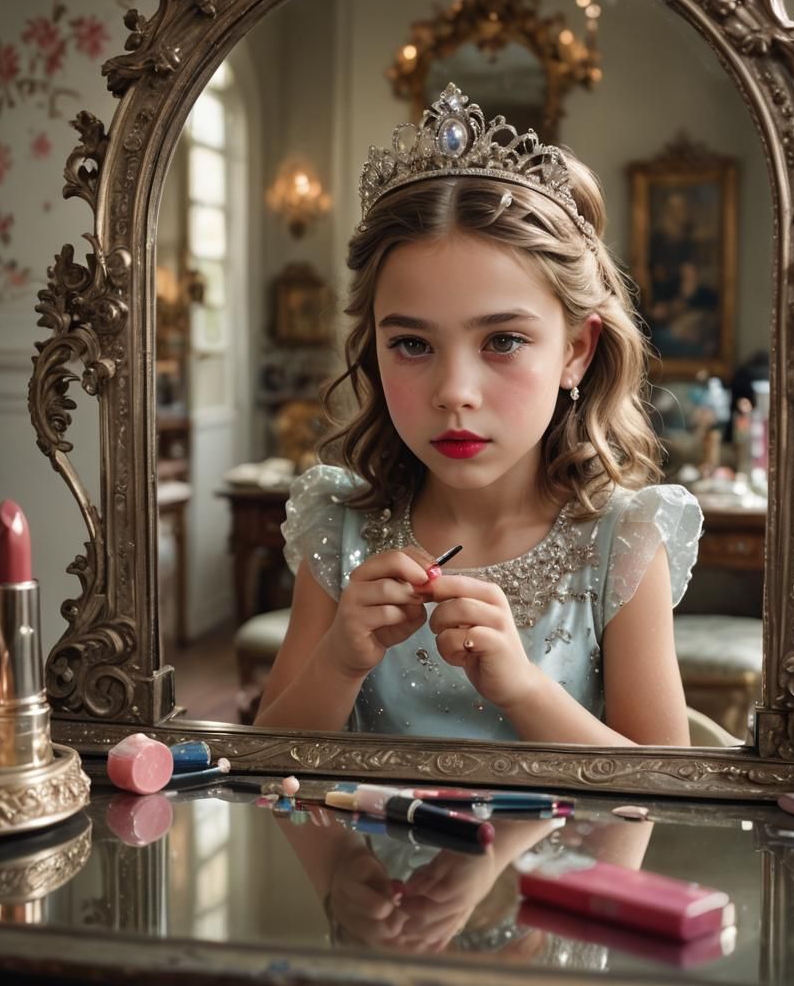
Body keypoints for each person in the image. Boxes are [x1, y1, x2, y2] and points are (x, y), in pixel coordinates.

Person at [255, 83, 702, 746]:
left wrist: (522, 690)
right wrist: (340, 661)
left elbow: (668, 785)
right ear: (374, 350)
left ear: (576, 352)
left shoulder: (621, 541)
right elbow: (263, 761)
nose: (454, 392)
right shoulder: (339, 526)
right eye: (412, 344)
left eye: (502, 341)